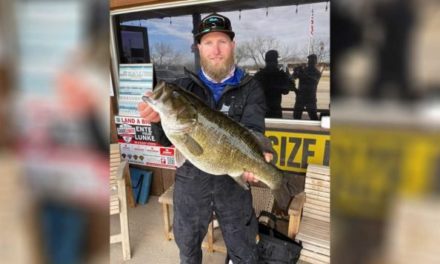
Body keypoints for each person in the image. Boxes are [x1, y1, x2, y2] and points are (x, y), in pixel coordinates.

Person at [138, 13, 273, 264]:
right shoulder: (182, 87)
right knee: (188, 248)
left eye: (222, 41)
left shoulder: (251, 87)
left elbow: (253, 130)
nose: (216, 50)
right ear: (198, 47)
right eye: (208, 42)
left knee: (243, 250)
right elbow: (167, 141)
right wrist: (156, 121)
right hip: (191, 182)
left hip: (234, 182)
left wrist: (259, 159)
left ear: (232, 45)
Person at [254, 50, 291, 118]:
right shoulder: (280, 75)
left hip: (261, 110)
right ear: (274, 61)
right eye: (276, 60)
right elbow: (286, 91)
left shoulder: (259, 75)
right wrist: (287, 78)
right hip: (275, 111)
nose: (277, 62)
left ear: (266, 61)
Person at [292, 54, 321, 120]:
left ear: (315, 62)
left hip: (310, 98)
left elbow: (314, 81)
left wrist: (301, 73)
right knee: (296, 117)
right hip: (301, 98)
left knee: (313, 117)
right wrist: (295, 72)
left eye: (312, 61)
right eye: (310, 60)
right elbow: (292, 78)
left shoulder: (317, 72)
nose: (310, 62)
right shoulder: (304, 70)